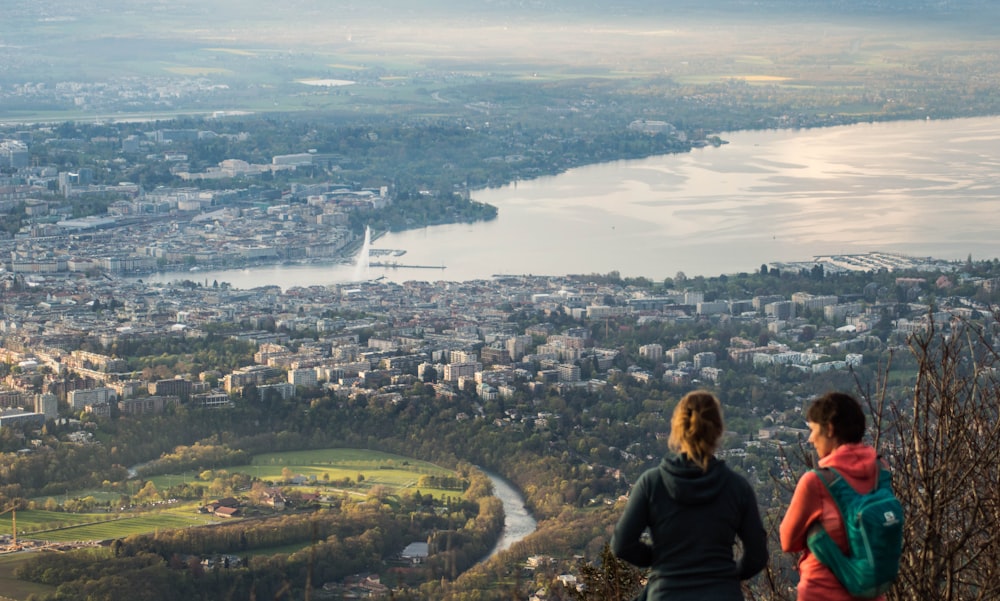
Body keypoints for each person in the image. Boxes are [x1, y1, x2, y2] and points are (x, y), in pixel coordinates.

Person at [611, 390, 768, 600]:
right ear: (718, 430)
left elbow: (622, 544)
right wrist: (725, 575)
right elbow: (757, 555)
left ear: (677, 429)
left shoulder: (652, 484)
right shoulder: (737, 488)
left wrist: (661, 559)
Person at [780, 391, 885, 600]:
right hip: (870, 593)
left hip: (823, 593)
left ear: (829, 429)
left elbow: (787, 540)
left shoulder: (817, 482)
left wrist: (815, 531)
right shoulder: (880, 471)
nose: (810, 439)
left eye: (813, 430)